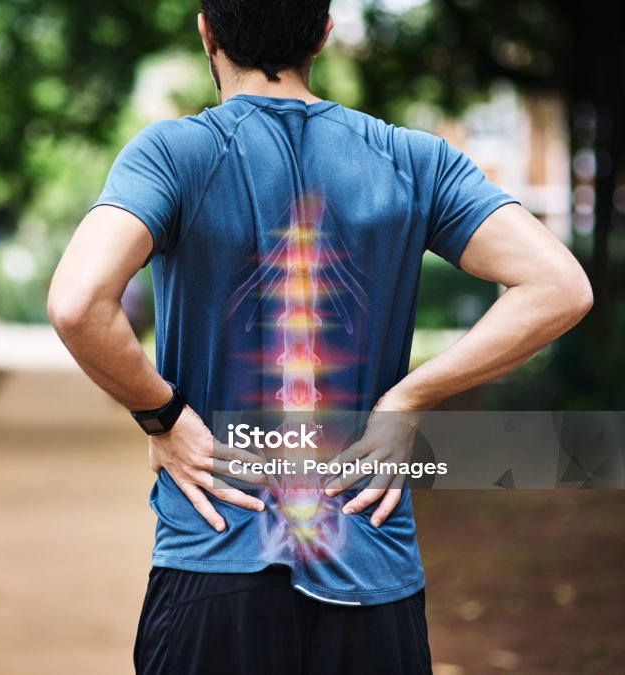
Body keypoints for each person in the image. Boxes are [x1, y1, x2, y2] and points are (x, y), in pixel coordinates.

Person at [47, 1, 592, 673]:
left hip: (214, 558)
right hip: (371, 568)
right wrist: (410, 398)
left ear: (206, 31)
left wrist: (164, 417)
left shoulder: (173, 153)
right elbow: (559, 287)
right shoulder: (410, 157)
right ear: (324, 33)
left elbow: (78, 303)